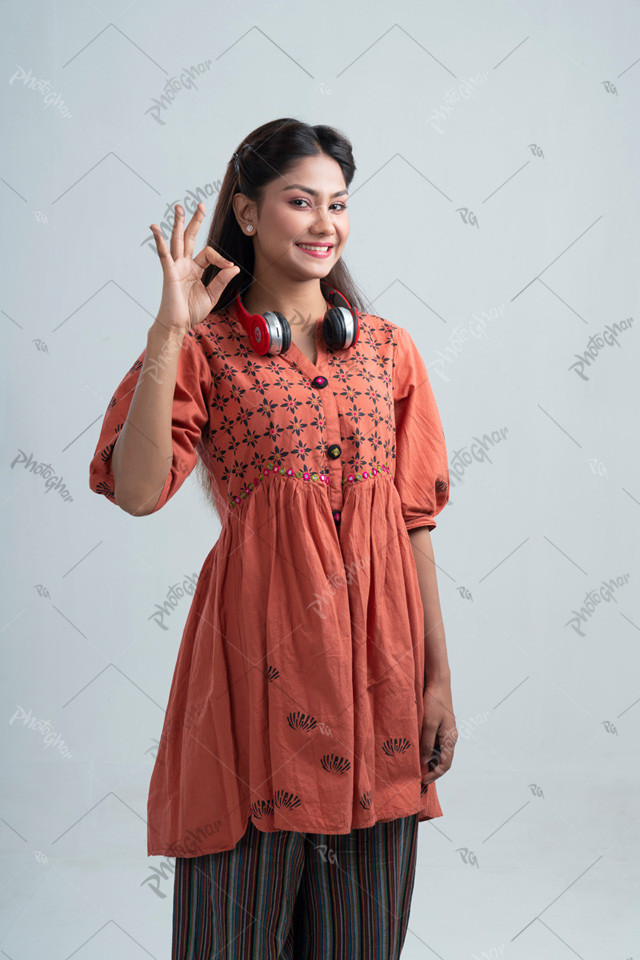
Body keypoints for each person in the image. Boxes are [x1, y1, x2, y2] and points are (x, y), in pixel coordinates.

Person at [89, 118, 458, 960]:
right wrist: (169, 330)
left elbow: (413, 522)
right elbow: (139, 490)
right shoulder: (206, 350)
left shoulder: (390, 353)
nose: (325, 222)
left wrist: (437, 680)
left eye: (338, 203)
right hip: (253, 683)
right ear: (248, 215)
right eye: (302, 201)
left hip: (379, 687)